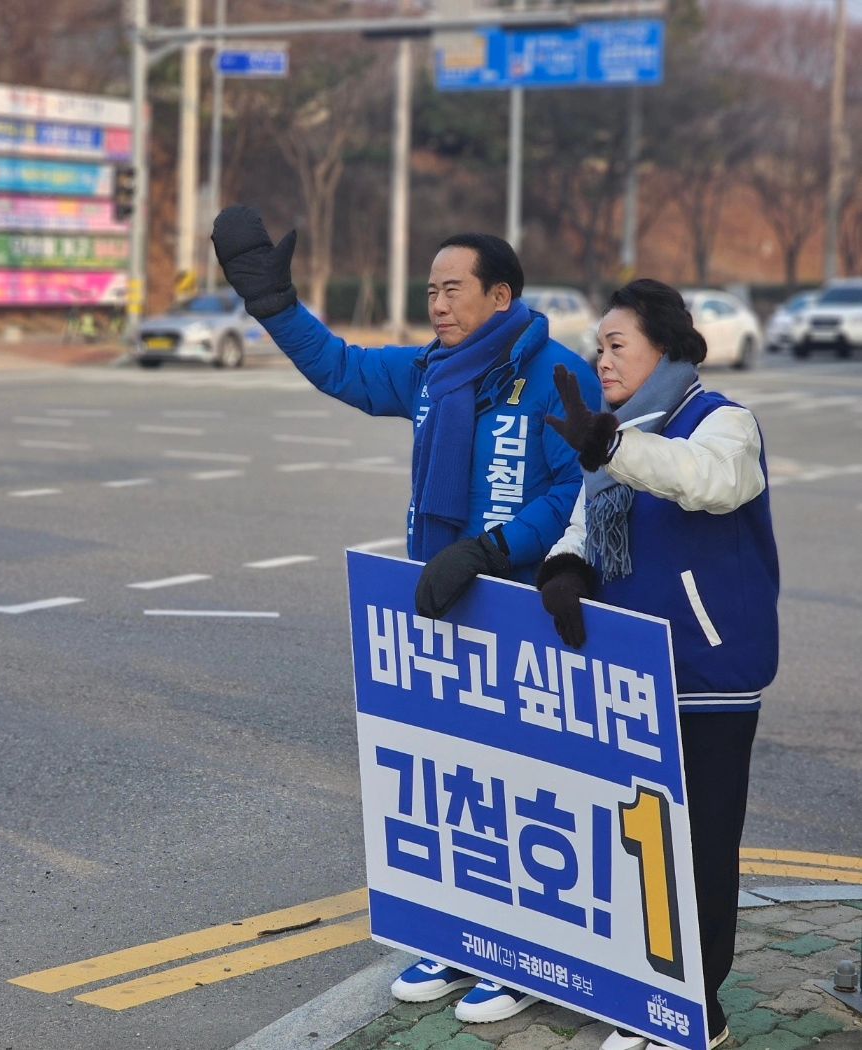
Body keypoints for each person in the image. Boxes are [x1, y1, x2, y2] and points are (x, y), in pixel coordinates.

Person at [211, 205, 603, 1023]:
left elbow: (576, 495)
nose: (438, 303)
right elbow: (342, 369)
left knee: (524, 790)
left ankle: (525, 957)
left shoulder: (558, 375)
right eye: (431, 291)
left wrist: (492, 549)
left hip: (522, 611)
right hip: (443, 604)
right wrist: (275, 307)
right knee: (456, 784)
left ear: (501, 296)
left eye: (453, 289)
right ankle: (463, 940)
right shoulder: (433, 373)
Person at [536, 279, 779, 1050]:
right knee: (638, 841)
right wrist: (566, 571)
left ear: (665, 348)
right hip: (628, 678)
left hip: (709, 675)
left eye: (616, 345)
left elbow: (710, 481)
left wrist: (612, 447)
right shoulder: (612, 438)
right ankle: (648, 993)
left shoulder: (721, 421)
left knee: (700, 847)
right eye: (597, 348)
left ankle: (698, 1010)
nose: (601, 360)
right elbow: (583, 526)